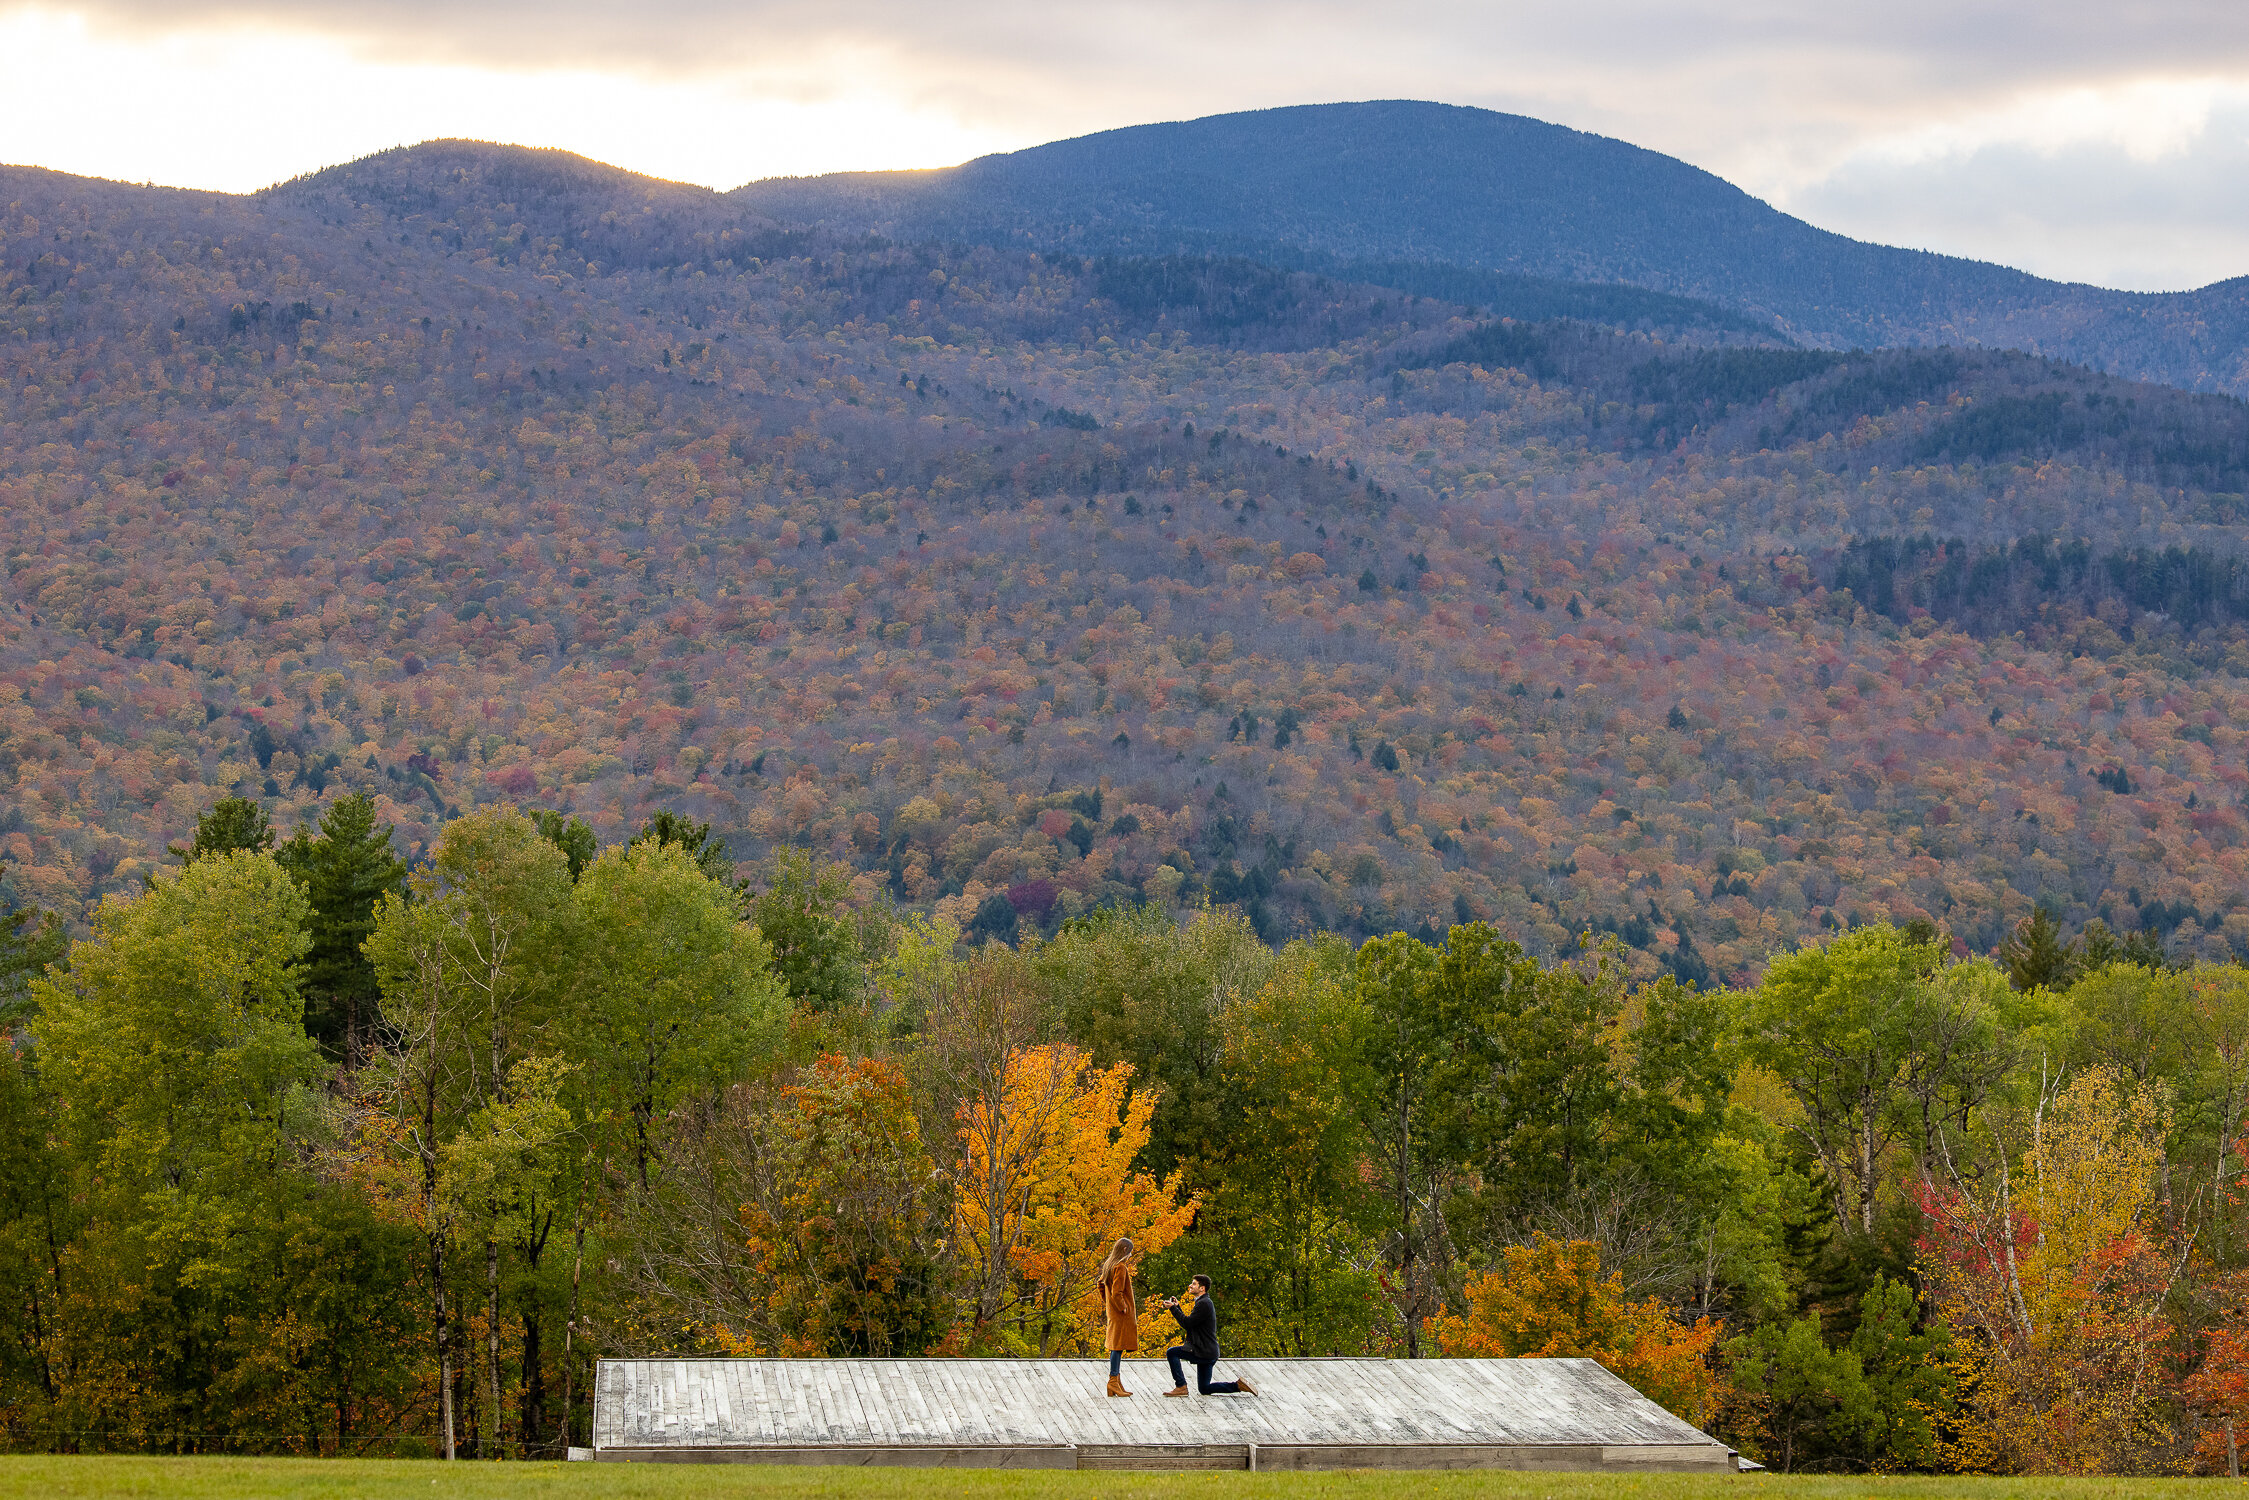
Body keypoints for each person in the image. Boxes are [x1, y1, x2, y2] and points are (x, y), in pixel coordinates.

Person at [1160, 1275, 1257, 1397]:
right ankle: (1237, 1385)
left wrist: (1174, 1309)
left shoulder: (1204, 1303)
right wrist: (1177, 1307)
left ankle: (1181, 1386)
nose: (1190, 1286)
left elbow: (1188, 1324)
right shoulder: (1203, 1302)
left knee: (1172, 1352)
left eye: (1194, 1284)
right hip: (1208, 1351)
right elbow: (1192, 1322)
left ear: (1202, 1288)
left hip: (1203, 1351)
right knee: (1204, 1388)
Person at [1095, 1236, 1139, 1397]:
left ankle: (1116, 1382)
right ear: (1125, 1250)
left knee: (1116, 1346)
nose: (1130, 1256)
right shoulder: (1120, 1267)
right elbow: (1117, 1292)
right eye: (1131, 1252)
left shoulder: (1109, 1265)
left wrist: (1108, 1304)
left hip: (1113, 1313)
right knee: (1117, 1347)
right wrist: (1123, 1307)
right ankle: (1113, 1381)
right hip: (1121, 1315)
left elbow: (1100, 1284)